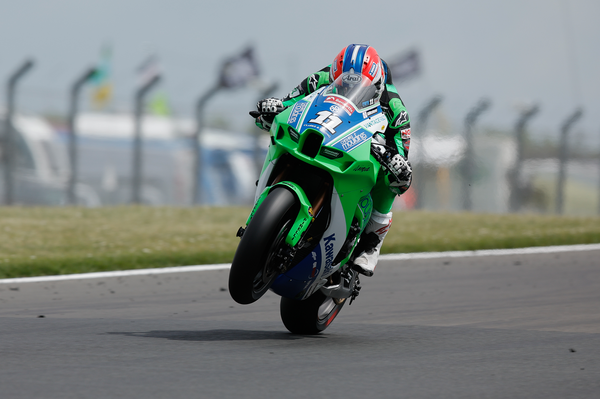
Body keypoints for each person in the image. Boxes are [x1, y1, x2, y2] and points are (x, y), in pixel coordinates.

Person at [252, 44, 412, 277]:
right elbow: (292, 101)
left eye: (357, 84)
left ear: (376, 84)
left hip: (366, 149)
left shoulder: (395, 107)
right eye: (344, 81)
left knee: (391, 182)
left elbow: (401, 154)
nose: (348, 86)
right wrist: (275, 107)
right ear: (336, 74)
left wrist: (397, 163)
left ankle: (371, 244)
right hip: (325, 134)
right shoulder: (322, 78)